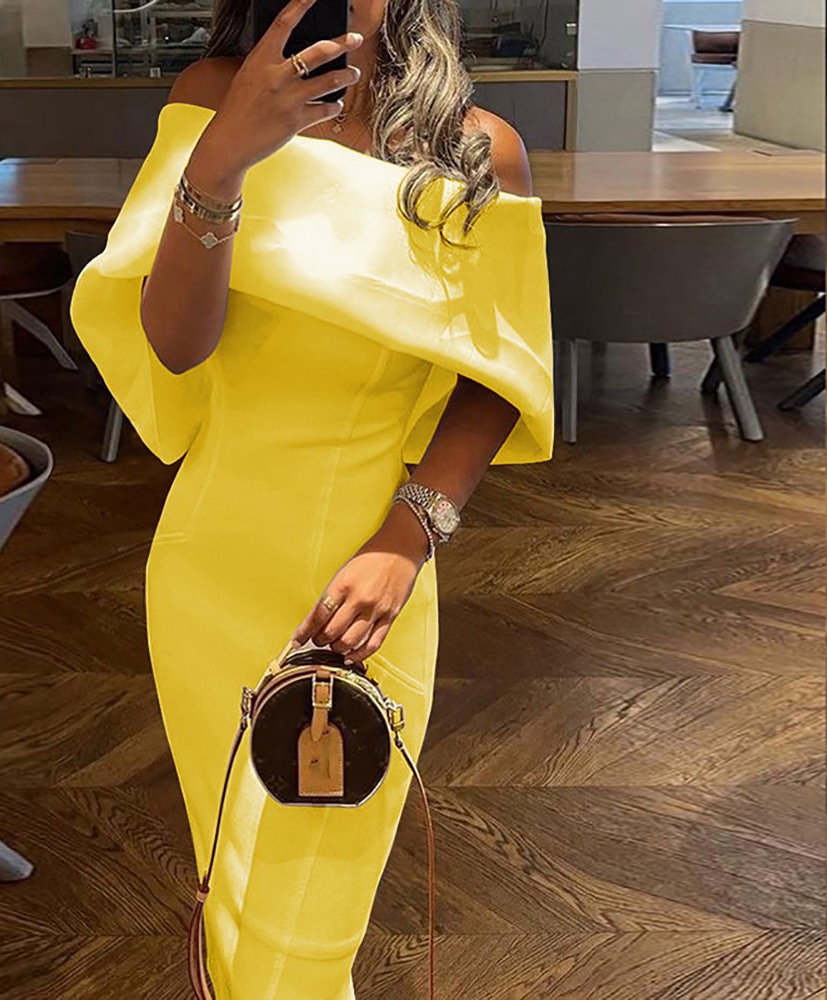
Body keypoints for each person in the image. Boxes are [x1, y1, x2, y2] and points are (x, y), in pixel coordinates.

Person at [69, 0, 554, 994]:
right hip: (212, 558)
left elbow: (499, 373)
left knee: (315, 895)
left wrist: (410, 537)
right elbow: (176, 346)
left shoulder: (477, 148)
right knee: (234, 872)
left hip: (372, 570)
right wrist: (223, 160)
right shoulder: (215, 97)